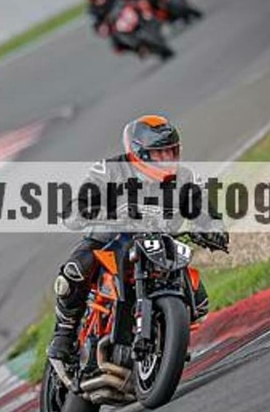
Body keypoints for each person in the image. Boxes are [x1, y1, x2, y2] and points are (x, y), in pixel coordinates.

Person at [47, 115, 229, 362]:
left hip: (160, 245)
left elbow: (206, 212)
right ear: (138, 153)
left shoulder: (186, 178)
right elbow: (80, 202)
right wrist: (84, 211)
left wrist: (213, 230)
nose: (166, 159)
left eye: (170, 152)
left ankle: (166, 337)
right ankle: (65, 334)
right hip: (109, 239)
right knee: (75, 270)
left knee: (200, 301)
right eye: (159, 153)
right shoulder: (109, 170)